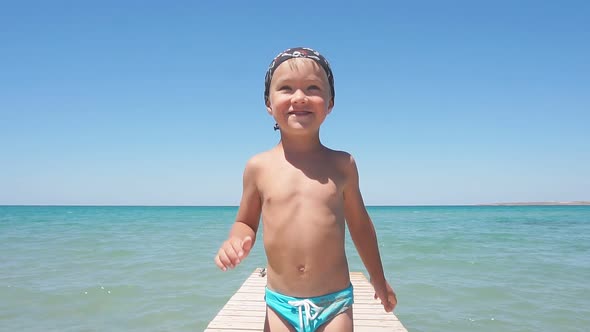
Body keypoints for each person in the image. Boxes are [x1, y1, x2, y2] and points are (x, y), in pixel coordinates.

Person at [214, 47, 397, 332]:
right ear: (268, 103)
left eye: (313, 88)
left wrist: (378, 277)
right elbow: (245, 222)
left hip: (334, 304)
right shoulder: (258, 167)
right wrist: (236, 241)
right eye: (286, 88)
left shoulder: (343, 164)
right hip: (280, 305)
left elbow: (360, 226)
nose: (299, 97)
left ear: (330, 102)